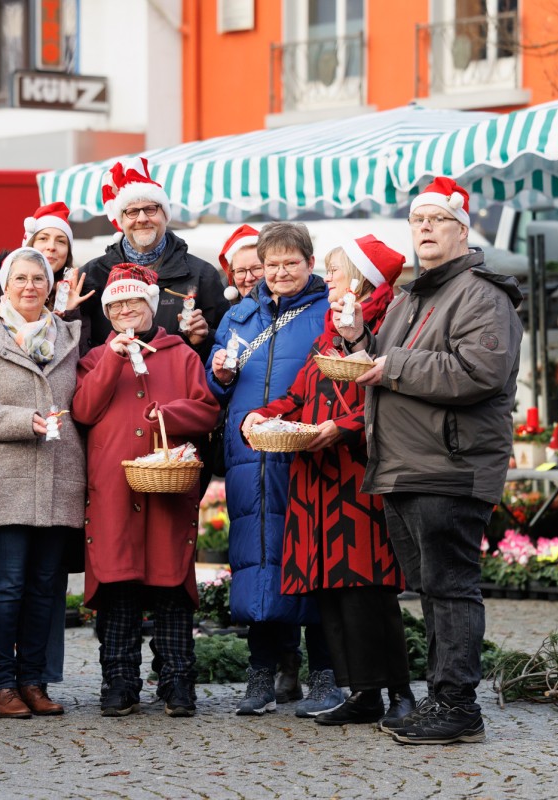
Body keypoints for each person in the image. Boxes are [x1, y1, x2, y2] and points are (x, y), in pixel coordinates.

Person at [335, 176, 522, 745]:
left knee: (451, 587)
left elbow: (478, 373)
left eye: (437, 220)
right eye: (418, 221)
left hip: (451, 465)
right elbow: (381, 362)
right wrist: (355, 338)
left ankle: (458, 704)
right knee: (435, 590)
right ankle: (444, 698)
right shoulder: (412, 295)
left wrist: (389, 364)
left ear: (463, 230)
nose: (424, 229)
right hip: (407, 465)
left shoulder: (481, 294)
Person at [242, 236, 413, 728]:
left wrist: (342, 428)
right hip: (316, 484)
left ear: (359, 281)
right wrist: (258, 416)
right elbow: (297, 398)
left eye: (336, 272)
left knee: (369, 592)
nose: (329, 280)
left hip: (358, 482)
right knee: (331, 594)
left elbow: (387, 404)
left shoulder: (385, 328)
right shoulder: (325, 337)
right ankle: (362, 693)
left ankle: (399, 692)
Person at [207, 221, 343, 718]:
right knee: (256, 562)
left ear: (310, 263)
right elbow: (215, 386)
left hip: (311, 453)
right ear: (259, 268)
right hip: (251, 459)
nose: (281, 272)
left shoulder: (330, 311)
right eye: (272, 264)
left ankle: (326, 675)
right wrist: (219, 375)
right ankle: (261, 674)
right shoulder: (239, 316)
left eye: (291, 262)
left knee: (316, 562)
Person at [71, 264, 219, 717]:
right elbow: (83, 409)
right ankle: (120, 682)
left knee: (170, 583)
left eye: (132, 302)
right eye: (114, 305)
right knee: (119, 587)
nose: (124, 310)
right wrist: (114, 357)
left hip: (167, 487)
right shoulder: (96, 358)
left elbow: (207, 412)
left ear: (151, 305)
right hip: (115, 490)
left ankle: (177, 681)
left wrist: (169, 414)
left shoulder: (181, 354)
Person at [0, 247, 85, 719]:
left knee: (46, 586)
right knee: (6, 584)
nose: (30, 287)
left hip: (58, 473)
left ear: (50, 285)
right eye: (20, 278)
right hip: (2, 477)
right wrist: (20, 419)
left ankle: (33, 679)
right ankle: (1, 682)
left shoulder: (71, 336)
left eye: (38, 279)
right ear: (3, 286)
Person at [79, 157, 227, 359]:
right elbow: (80, 348)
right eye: (131, 211)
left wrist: (204, 339)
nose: (142, 218)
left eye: (150, 209)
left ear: (165, 215)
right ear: (121, 220)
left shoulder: (202, 275)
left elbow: (223, 347)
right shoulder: (92, 275)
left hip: (177, 387)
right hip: (114, 387)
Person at [218, 224, 264, 303]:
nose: (249, 278)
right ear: (232, 276)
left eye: (257, 268)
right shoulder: (227, 313)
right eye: (240, 271)